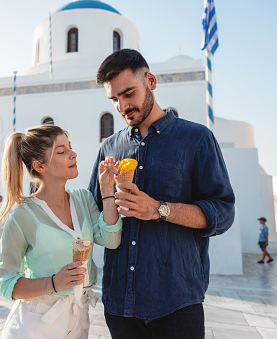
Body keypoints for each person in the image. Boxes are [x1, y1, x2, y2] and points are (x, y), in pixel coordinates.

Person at [88, 49, 235, 339]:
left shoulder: (196, 139)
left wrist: (159, 209)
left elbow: (223, 211)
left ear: (151, 81)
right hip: (119, 305)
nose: (122, 106)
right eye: (114, 99)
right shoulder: (109, 148)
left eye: (128, 94)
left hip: (177, 303)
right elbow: (94, 216)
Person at [0, 125, 122, 338]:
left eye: (70, 147)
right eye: (62, 151)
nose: (73, 154)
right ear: (39, 166)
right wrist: (52, 283)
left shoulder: (83, 199)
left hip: (78, 319)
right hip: (36, 324)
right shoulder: (22, 216)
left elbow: (111, 239)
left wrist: (107, 190)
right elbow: (5, 283)